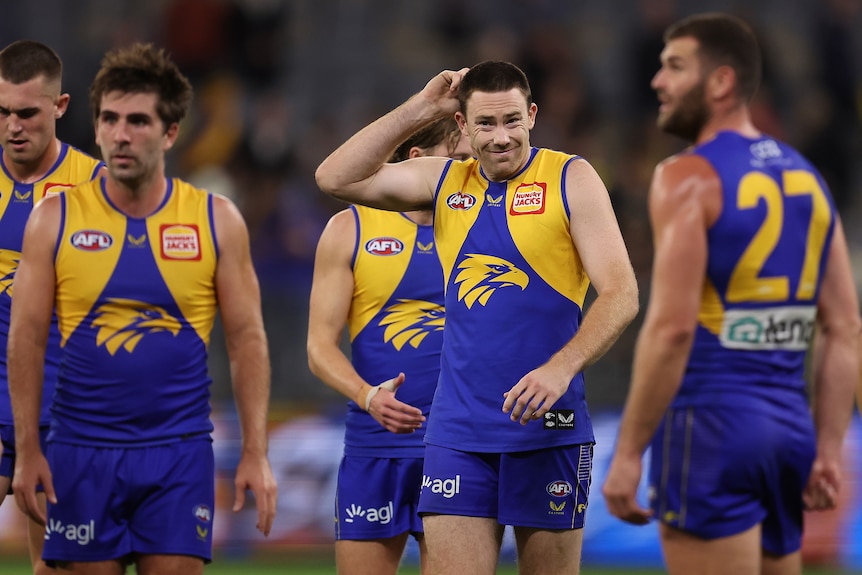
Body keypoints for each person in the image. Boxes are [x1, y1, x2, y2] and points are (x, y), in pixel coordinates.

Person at [316, 60, 639, 575]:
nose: (502, 137)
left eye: (512, 120)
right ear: (463, 127)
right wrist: (422, 108)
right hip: (458, 433)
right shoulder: (446, 182)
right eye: (485, 124)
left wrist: (561, 368)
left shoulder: (570, 177)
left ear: (532, 115)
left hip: (548, 430)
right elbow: (333, 176)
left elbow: (622, 294)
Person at [602, 13, 861, 575]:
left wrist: (627, 452)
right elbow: (845, 329)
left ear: (720, 82)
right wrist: (827, 447)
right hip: (789, 430)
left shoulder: (684, 177)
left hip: (711, 424)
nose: (657, 82)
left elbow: (672, 328)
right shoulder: (808, 178)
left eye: (674, 67)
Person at [8, 43, 277, 575]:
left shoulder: (215, 221)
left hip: (178, 454)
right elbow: (27, 339)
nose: (120, 135)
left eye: (137, 120)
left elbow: (248, 341)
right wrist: (27, 450)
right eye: (109, 119)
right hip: (79, 452)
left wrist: (255, 451)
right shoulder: (53, 219)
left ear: (170, 132)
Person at [307, 117, 471, 575]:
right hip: (374, 448)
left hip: (458, 448)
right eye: (458, 162)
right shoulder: (350, 229)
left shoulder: (484, 230)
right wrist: (367, 396)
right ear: (416, 161)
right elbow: (319, 347)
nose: (468, 175)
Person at [0, 39, 104, 575]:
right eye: (1, 112)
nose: (13, 125)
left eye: (26, 112)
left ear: (59, 108)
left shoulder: (96, 188)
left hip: (68, 405)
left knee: (60, 564)